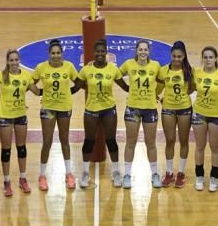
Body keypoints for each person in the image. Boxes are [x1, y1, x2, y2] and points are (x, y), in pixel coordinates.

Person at [75, 38, 129, 188]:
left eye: (102, 51)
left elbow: (125, 87)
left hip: (108, 109)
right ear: (93, 53)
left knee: (111, 140)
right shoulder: (86, 70)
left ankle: (116, 172)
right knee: (89, 141)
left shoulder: (113, 69)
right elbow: (75, 88)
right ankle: (85, 173)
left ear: (106, 53)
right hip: (91, 109)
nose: (100, 54)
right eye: (97, 51)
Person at [31, 39, 79, 191]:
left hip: (64, 107)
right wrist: (38, 92)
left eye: (58, 53)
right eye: (53, 53)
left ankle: (69, 173)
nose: (56, 56)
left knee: (65, 140)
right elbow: (30, 82)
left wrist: (69, 92)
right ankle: (42, 175)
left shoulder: (69, 66)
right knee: (47, 142)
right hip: (48, 108)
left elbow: (79, 82)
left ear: (62, 53)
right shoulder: (41, 67)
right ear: (49, 54)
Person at [0, 49, 34, 197]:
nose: (14, 62)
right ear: (7, 61)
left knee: (21, 148)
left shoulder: (26, 76)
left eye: (16, 60)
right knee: (6, 150)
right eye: (11, 60)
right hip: (5, 116)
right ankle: (7, 181)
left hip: (20, 115)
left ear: (19, 60)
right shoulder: (1, 75)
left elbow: (33, 89)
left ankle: (22, 179)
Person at [119, 39, 161, 189]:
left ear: (149, 51)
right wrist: (126, 88)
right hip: (133, 108)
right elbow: (116, 75)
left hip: (150, 108)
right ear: (136, 51)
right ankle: (127, 175)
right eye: (140, 49)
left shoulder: (155, 66)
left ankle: (155, 174)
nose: (143, 52)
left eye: (145, 50)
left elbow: (162, 81)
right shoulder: (129, 64)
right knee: (131, 142)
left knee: (151, 143)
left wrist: (156, 94)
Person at [192, 46, 218, 192]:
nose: (208, 60)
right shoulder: (196, 73)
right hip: (199, 113)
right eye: (205, 57)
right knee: (199, 146)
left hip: (216, 115)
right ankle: (199, 176)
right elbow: (191, 88)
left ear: (216, 58)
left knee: (214, 147)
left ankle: (214, 177)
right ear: (202, 59)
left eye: (211, 57)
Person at [158, 41, 193, 188]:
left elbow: (192, 88)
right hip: (168, 109)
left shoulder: (189, 71)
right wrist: (160, 98)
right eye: (174, 56)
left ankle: (181, 173)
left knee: (184, 140)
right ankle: (169, 172)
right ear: (171, 55)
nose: (177, 59)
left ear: (184, 56)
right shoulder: (164, 70)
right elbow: (158, 88)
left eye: (179, 56)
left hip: (184, 108)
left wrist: (182, 97)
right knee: (170, 140)